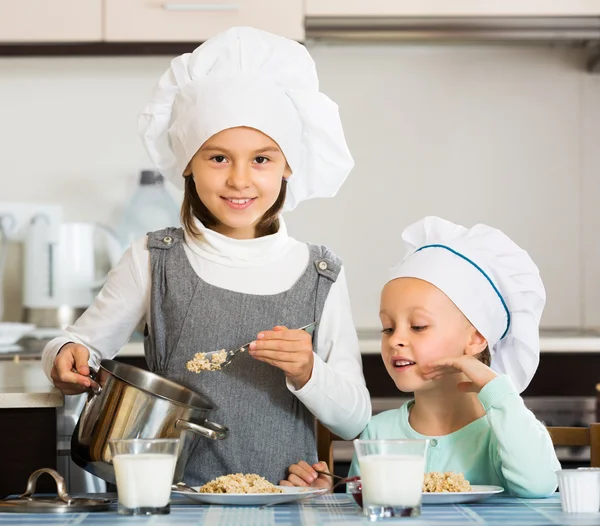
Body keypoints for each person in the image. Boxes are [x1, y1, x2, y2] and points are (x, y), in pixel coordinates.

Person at [42, 26, 371, 486]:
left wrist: (309, 370)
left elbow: (354, 420)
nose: (240, 180)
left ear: (288, 165)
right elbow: (79, 345)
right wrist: (66, 355)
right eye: (218, 158)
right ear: (188, 164)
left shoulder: (321, 274)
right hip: (172, 503)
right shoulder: (153, 259)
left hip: (283, 504)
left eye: (262, 159)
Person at [283, 216, 560, 498]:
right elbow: (370, 506)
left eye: (418, 326)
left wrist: (497, 389)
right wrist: (324, 496)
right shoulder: (379, 432)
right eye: (388, 328)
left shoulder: (504, 430)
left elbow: (539, 485)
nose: (396, 339)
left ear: (476, 338)